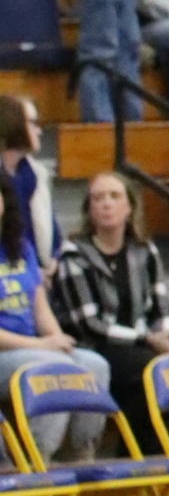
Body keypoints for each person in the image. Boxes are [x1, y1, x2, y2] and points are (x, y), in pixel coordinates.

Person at [49, 172, 169, 456]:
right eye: (98, 198)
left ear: (129, 208)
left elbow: (161, 303)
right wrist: (148, 339)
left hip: (139, 340)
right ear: (89, 210)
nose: (106, 204)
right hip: (95, 345)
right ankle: (144, 458)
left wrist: (167, 332)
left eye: (114, 196)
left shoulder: (144, 250)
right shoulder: (74, 255)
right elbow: (89, 324)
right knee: (147, 366)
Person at [0, 172, 108, 463]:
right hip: (8, 352)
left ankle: (81, 453)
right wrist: (42, 346)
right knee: (54, 368)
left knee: (95, 365)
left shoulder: (20, 247)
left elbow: (39, 308)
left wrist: (56, 338)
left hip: (30, 348)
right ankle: (38, 456)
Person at [0, 95, 60, 272]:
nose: (39, 131)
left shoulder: (36, 174)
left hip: (38, 272)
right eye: (32, 123)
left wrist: (52, 262)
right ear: (12, 123)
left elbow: (54, 236)